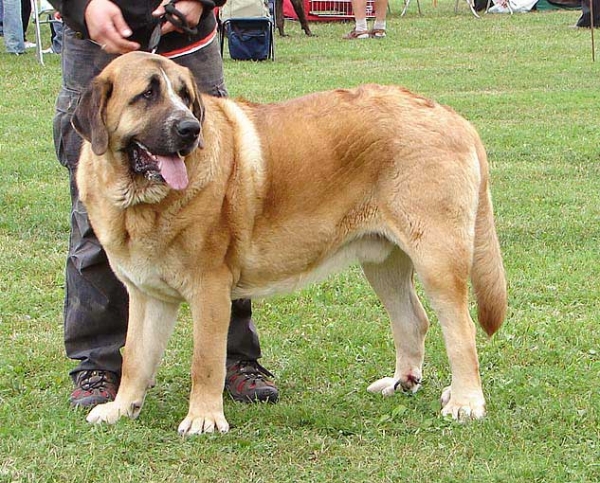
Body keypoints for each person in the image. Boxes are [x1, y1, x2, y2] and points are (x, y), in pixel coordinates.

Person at [48, 0, 279, 409]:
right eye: (152, 100)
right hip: (93, 34)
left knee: (223, 218)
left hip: (190, 38)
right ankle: (97, 364)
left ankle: (236, 359)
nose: (182, 117)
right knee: (94, 230)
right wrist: (81, 5)